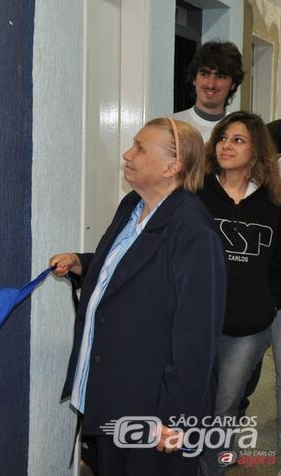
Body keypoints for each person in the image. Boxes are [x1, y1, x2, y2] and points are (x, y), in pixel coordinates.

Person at [50, 118, 226, 475]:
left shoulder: (194, 232)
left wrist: (172, 420)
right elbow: (132, 268)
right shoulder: (133, 204)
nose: (128, 155)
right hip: (113, 391)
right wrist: (84, 264)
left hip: (150, 408)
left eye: (141, 149)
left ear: (172, 167)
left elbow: (196, 340)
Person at [196, 111, 281, 474]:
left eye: (239, 140)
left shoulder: (273, 201)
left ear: (257, 150)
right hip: (209, 319)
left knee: (234, 400)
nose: (227, 145)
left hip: (255, 318)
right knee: (209, 403)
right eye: (223, 138)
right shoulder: (197, 194)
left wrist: (270, 300)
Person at [173, 40, 244, 140]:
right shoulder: (171, 127)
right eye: (205, 74)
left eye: (220, 76)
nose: (211, 84)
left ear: (233, 84)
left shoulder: (241, 132)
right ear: (194, 79)